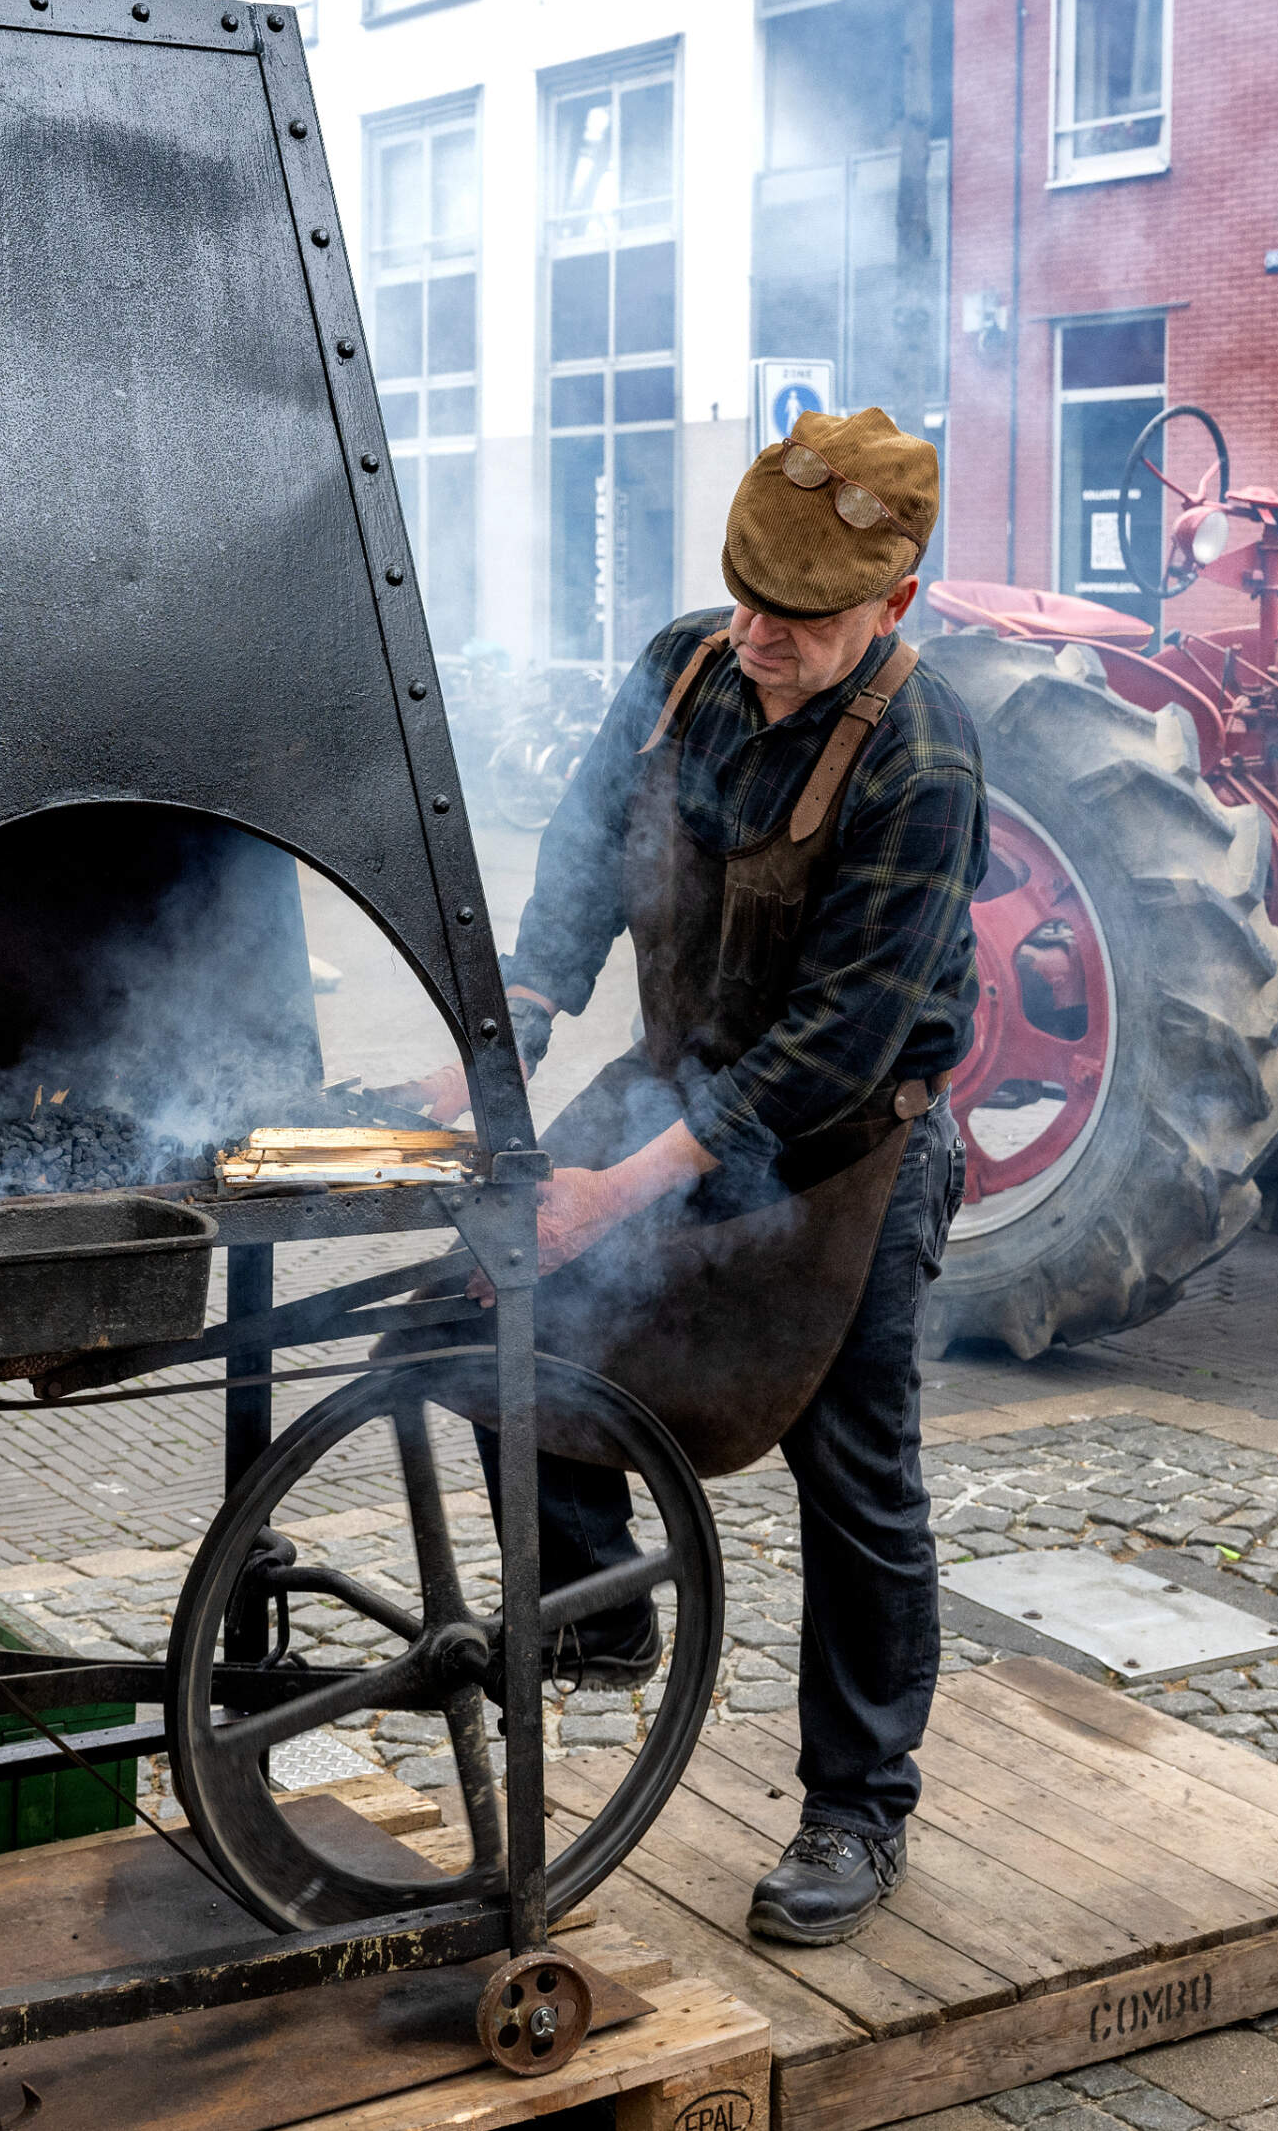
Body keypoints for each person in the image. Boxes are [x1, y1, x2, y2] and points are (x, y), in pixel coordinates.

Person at [417, 405, 985, 1946]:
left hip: (846, 1138)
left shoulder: (925, 761)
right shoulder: (686, 666)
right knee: (485, 1291)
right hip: (674, 1074)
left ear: (894, 606)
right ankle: (602, 1615)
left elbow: (833, 1042)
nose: (757, 639)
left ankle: (860, 1807)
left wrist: (630, 1186)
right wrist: (522, 1016)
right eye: (745, 598)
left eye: (797, 621)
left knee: (855, 1473)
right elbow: (588, 848)